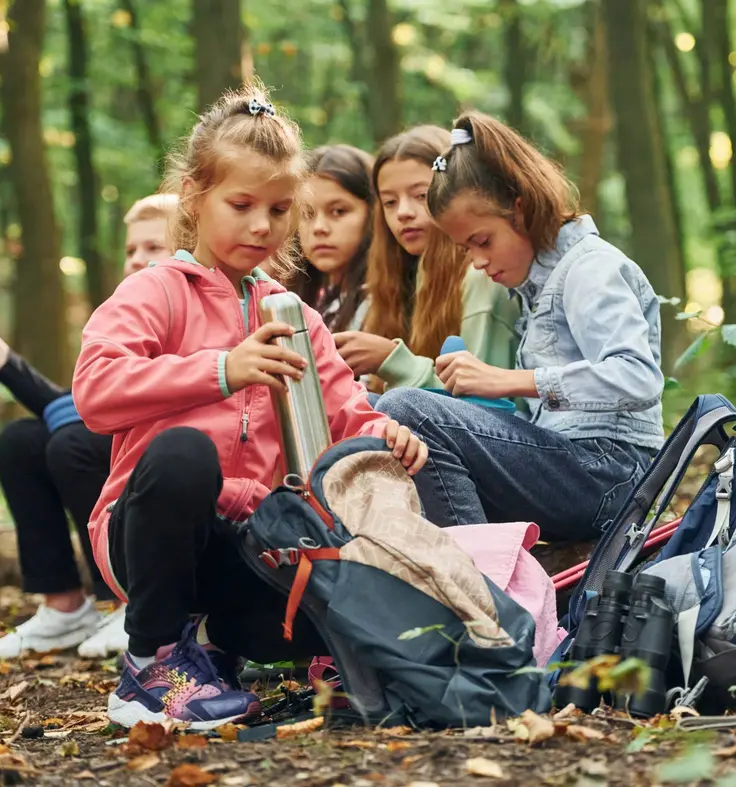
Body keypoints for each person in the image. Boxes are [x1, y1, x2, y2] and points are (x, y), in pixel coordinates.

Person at [72, 86, 428, 730]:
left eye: (279, 209)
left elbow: (345, 411)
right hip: (150, 537)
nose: (262, 226)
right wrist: (221, 369)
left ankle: (212, 653)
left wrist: (387, 434)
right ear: (193, 197)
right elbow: (94, 394)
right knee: (184, 454)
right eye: (240, 205)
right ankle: (150, 663)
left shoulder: (292, 315)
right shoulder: (155, 293)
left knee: (330, 633)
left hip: (250, 544)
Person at [375, 112, 665, 542]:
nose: (476, 261)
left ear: (521, 207)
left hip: (612, 475)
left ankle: (480, 587)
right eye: (464, 248)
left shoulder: (590, 268)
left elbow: (637, 378)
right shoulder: (536, 287)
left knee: (407, 410)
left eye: (482, 241)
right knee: (380, 414)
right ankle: (474, 577)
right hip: (576, 464)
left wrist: (508, 380)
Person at [0, 193, 178, 660]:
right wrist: (0, 358)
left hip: (184, 462)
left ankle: (135, 604)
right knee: (22, 442)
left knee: (73, 442)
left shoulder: (191, 309)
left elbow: (92, 418)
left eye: (152, 248)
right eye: (131, 250)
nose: (135, 260)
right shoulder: (133, 316)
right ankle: (66, 606)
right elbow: (84, 408)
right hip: (135, 451)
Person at [332, 125, 519, 391]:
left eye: (421, 195)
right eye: (390, 202)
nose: (403, 213)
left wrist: (391, 360)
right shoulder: (399, 280)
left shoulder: (483, 275)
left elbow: (485, 408)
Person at [292, 145, 374, 332]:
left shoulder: (385, 307)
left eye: (338, 211)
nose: (319, 228)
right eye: (307, 214)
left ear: (373, 214)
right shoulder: (306, 302)